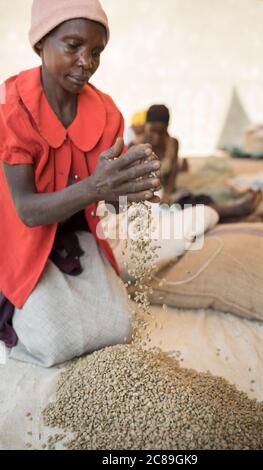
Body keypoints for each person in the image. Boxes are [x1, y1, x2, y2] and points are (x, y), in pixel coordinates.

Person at [0, 0, 161, 366]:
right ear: (40, 42)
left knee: (118, 327)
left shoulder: (106, 113)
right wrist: (97, 187)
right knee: (55, 341)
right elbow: (26, 211)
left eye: (96, 52)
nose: (86, 62)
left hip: (75, 232)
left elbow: (105, 201)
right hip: (20, 237)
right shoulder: (13, 108)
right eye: (72, 46)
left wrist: (131, 189)